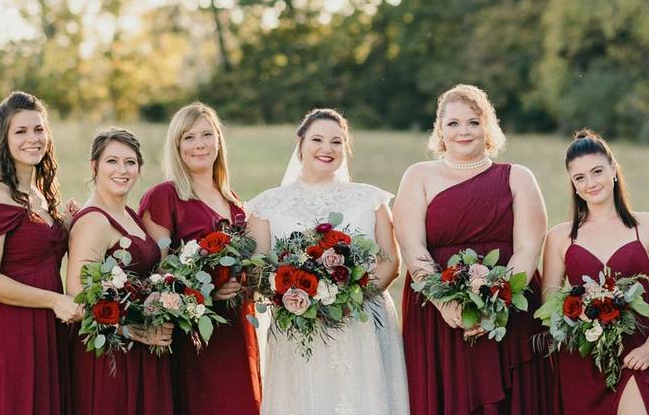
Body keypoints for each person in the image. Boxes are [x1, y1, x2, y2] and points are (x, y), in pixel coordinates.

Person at [394, 84, 551, 414]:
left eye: (473, 122)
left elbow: (528, 249)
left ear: (489, 127)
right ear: (440, 130)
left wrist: (497, 305)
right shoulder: (418, 176)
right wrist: (443, 301)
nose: (463, 131)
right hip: (437, 314)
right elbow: (411, 246)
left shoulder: (518, 177)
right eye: (453, 123)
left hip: (509, 311)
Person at [246, 108, 409, 414]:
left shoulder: (369, 199)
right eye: (317, 139)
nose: (327, 149)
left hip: (360, 323)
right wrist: (299, 299)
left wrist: (347, 299)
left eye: (337, 141)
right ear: (301, 144)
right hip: (298, 325)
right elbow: (257, 272)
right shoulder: (267, 205)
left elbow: (391, 263)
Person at [0, 91, 80, 415]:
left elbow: (39, 250)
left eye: (39, 129)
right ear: (4, 138)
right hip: (8, 328)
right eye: (21, 131)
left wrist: (66, 225)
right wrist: (55, 301)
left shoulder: (41, 194)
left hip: (46, 327)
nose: (33, 138)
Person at [542, 129, 649, 414]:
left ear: (613, 169)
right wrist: (580, 319)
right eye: (580, 178)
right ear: (572, 183)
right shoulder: (560, 237)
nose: (590, 183)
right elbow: (549, 309)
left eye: (597, 171)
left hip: (636, 356)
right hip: (580, 362)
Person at [139, 103, 261, 415]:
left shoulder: (233, 201)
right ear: (177, 146)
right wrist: (207, 291)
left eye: (207, 135)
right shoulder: (164, 196)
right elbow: (154, 274)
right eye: (189, 137)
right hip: (193, 336)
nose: (200, 144)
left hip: (236, 329)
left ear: (219, 141)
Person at [67, 128, 173, 415]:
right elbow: (77, 297)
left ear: (139, 168)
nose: (122, 170)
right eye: (112, 161)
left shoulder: (129, 215)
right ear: (94, 167)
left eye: (130, 162)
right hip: (110, 356)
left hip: (141, 349)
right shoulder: (94, 221)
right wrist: (131, 330)